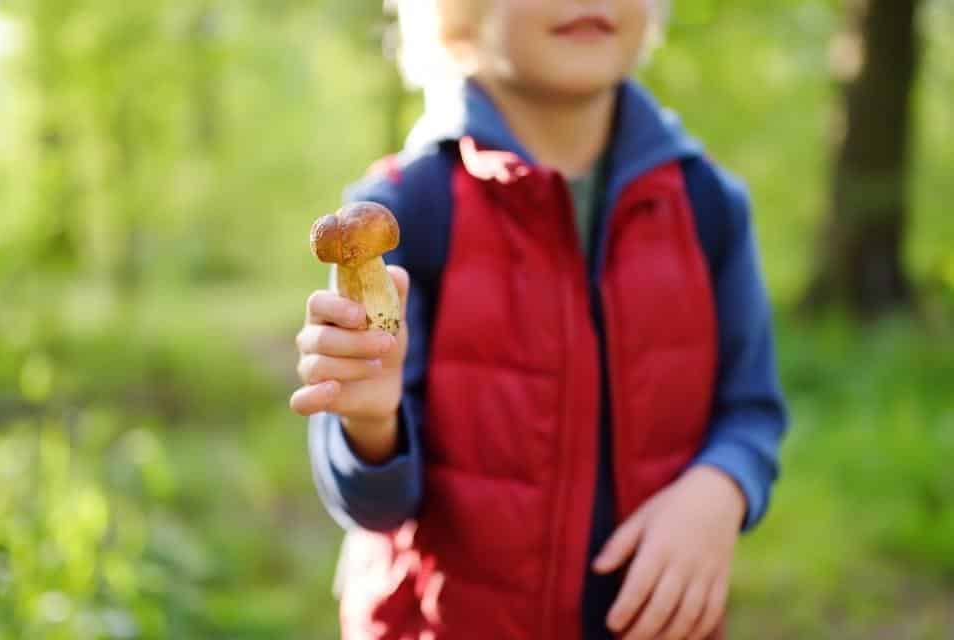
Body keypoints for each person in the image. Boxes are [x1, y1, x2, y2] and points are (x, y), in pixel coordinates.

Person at [290, 1, 788, 638]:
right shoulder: (408, 209)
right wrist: (369, 420)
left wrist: (721, 489)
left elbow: (752, 409)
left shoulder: (708, 205)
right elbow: (377, 508)